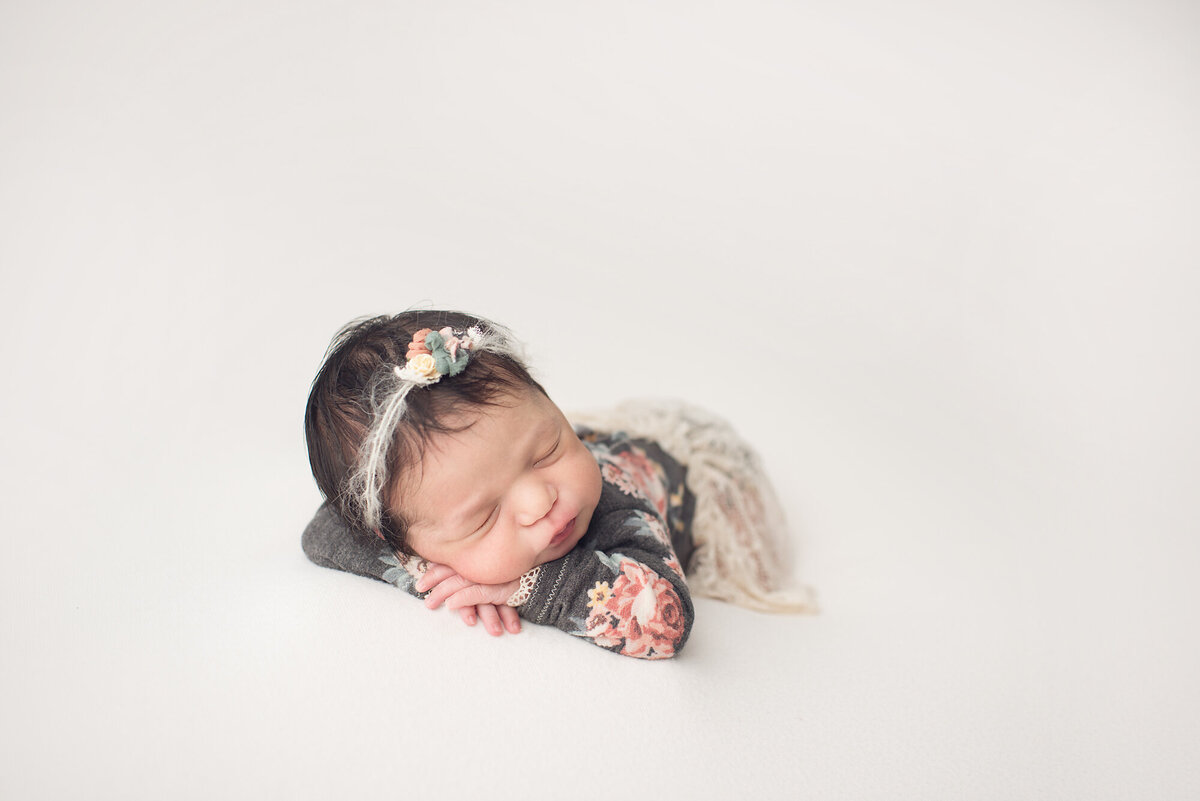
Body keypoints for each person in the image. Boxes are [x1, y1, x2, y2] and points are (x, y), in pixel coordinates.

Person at [302, 310, 813, 660]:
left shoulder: (615, 504)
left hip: (680, 473)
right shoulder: (408, 517)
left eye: (548, 449)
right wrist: (429, 570)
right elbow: (321, 534)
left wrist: (519, 586)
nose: (540, 499)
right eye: (482, 516)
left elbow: (663, 620)